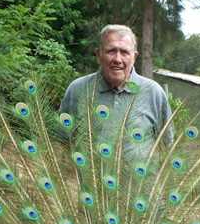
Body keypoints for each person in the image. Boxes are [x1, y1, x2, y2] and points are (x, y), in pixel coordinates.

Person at [60, 25, 173, 157]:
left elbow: (166, 145)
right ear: (98, 54)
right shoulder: (78, 90)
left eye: (124, 52)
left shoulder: (154, 93)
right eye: (111, 51)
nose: (117, 59)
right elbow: (63, 142)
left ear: (134, 57)